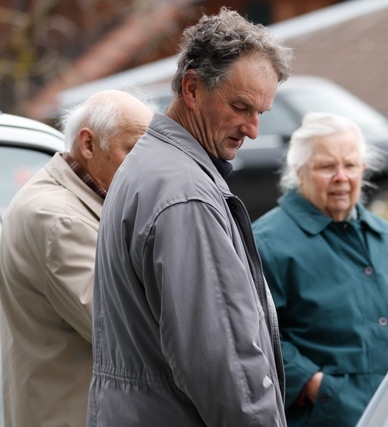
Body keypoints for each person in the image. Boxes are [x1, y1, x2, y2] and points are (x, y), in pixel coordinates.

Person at [87, 8, 293, 426]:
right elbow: (226, 368)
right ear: (192, 88)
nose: (252, 129)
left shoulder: (151, 164)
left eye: (261, 113)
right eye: (240, 107)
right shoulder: (186, 196)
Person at [252, 112, 388, 427]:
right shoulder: (265, 244)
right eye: (326, 166)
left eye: (350, 165)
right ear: (299, 172)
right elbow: (254, 337)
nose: (341, 177)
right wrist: (316, 387)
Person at [0, 89, 153, 427]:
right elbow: (126, 332)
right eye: (133, 150)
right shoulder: (62, 220)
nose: (146, 166)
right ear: (88, 145)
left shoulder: (64, 199)